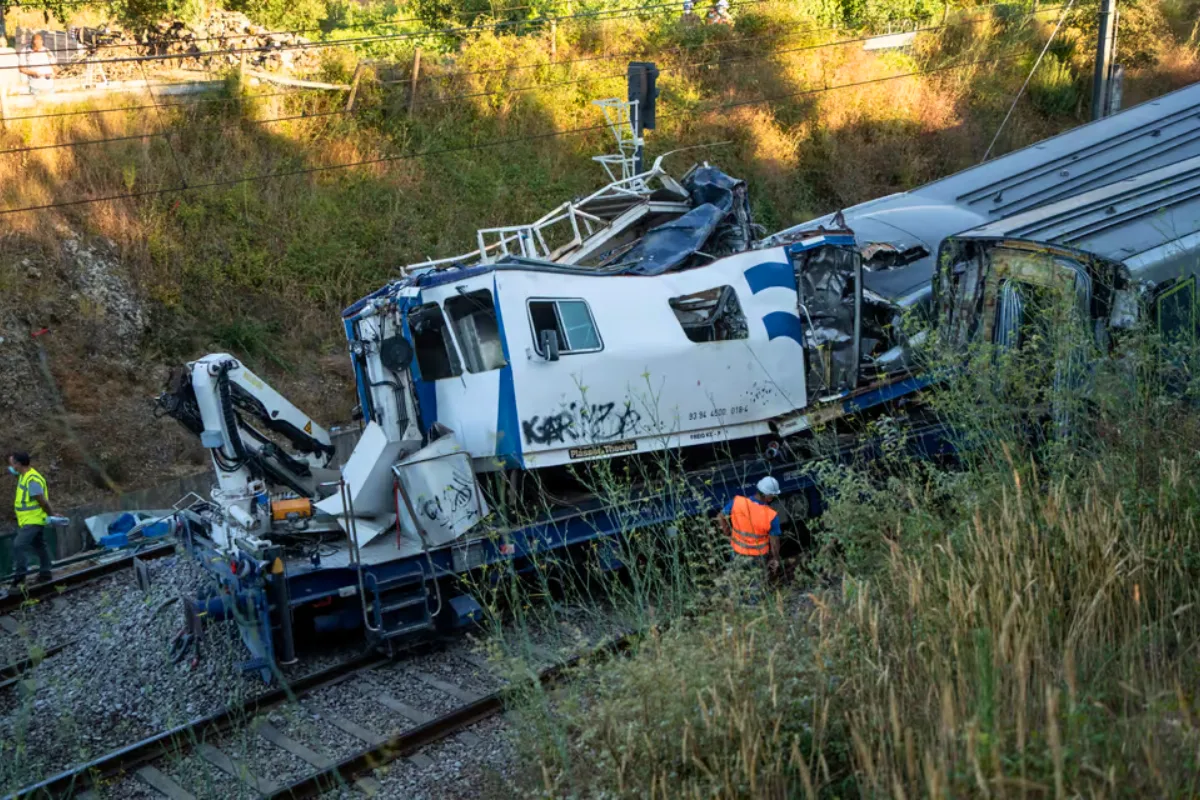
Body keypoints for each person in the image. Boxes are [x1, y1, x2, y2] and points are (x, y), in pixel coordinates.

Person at [717, 476, 782, 600]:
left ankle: (737, 608)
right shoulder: (771, 516)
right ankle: (754, 611)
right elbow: (774, 543)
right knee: (755, 588)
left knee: (737, 583)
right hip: (757, 557)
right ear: (768, 496)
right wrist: (775, 558)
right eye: (773, 495)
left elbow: (720, 516)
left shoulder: (737, 502)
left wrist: (728, 534)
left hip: (736, 551)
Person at [7, 451, 55, 591]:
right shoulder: (25, 476)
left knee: (18, 545)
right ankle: (46, 573)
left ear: (18, 464)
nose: (10, 466)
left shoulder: (32, 479)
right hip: (29, 520)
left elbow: (42, 501)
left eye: (12, 463)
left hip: (33, 521)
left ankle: (19, 579)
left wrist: (51, 514)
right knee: (40, 545)